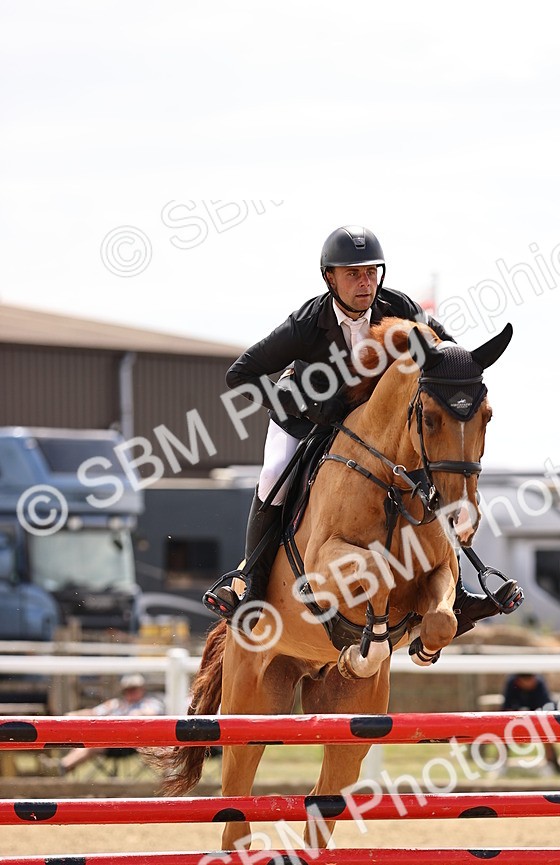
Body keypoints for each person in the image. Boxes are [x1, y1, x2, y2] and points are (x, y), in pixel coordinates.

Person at [203, 225, 522, 634]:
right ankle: (250, 583)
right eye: (352, 274)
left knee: (428, 473)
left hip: (373, 424)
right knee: (273, 476)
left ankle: (455, 591)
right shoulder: (306, 324)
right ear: (329, 278)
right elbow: (242, 373)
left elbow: (448, 355)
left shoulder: (398, 307)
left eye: (371, 272)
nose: (365, 282)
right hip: (305, 415)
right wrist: (307, 405)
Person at [40, 674, 165, 776]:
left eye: (134, 689)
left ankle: (62, 767)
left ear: (142, 689)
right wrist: (72, 715)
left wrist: (128, 717)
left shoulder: (150, 703)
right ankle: (60, 766)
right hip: (111, 741)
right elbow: (94, 712)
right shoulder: (116, 704)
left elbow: (149, 714)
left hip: (134, 744)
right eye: (128, 689)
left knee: (93, 743)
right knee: (89, 740)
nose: (131, 692)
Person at [501, 671, 560, 774]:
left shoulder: (539, 683)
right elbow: (506, 708)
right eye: (528, 680)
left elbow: (546, 708)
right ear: (519, 681)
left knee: (547, 735)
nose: (531, 682)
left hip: (538, 717)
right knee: (504, 735)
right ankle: (500, 764)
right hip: (517, 718)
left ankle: (552, 764)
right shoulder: (511, 683)